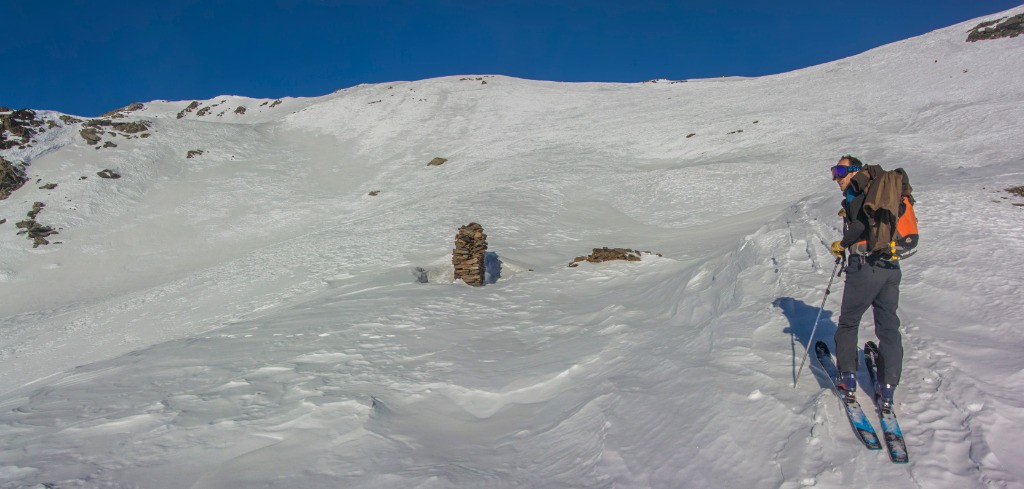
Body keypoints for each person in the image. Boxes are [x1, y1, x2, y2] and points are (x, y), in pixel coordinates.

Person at [828, 155, 902, 409]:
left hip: (866, 265)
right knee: (889, 327)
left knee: (849, 322)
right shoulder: (880, 189)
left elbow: (860, 224)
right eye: (834, 171)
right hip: (891, 265)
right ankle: (888, 387)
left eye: (840, 171)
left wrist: (843, 243)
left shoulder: (859, 190)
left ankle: (847, 379)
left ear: (855, 171)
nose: (836, 177)